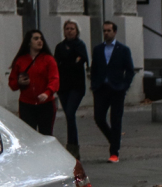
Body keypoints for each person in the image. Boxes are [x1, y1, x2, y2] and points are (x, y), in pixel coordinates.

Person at [89, 20, 136, 163]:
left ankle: (114, 152)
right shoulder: (98, 49)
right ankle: (114, 139)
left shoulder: (123, 50)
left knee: (116, 120)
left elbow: (130, 70)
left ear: (114, 32)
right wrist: (94, 84)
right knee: (99, 117)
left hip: (117, 89)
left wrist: (124, 85)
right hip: (101, 88)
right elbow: (94, 68)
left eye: (109, 30)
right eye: (104, 31)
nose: (106, 33)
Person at [8, 30, 59, 135]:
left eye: (41, 38)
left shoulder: (48, 59)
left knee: (46, 134)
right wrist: (19, 82)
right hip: (26, 104)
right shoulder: (20, 60)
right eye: (36, 39)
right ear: (29, 42)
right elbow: (12, 84)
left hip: (46, 104)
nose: (39, 41)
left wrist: (47, 92)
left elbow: (54, 79)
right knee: (29, 135)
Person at [53, 20, 89, 158]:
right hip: (63, 86)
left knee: (70, 112)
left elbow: (82, 60)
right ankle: (72, 144)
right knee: (69, 115)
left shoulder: (80, 45)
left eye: (72, 28)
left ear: (76, 31)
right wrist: (70, 63)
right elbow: (57, 63)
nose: (69, 31)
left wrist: (69, 64)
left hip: (77, 86)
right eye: (67, 28)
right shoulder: (60, 46)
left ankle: (73, 146)